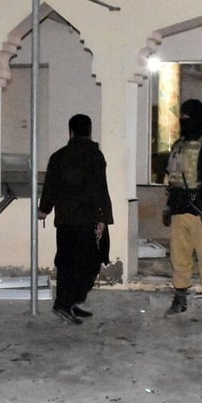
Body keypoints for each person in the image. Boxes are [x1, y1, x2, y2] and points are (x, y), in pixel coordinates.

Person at [37, 114, 114, 325]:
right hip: (87, 220)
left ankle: (68, 302)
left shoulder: (58, 156)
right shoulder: (95, 156)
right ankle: (64, 303)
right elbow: (101, 189)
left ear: (70, 132)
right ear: (89, 131)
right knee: (87, 264)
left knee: (67, 263)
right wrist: (102, 218)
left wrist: (44, 210)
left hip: (66, 220)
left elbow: (50, 186)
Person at [162, 99, 202, 318]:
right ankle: (180, 298)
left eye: (188, 116)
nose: (184, 120)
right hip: (180, 210)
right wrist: (169, 207)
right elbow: (172, 178)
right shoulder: (179, 144)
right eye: (182, 116)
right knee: (179, 258)